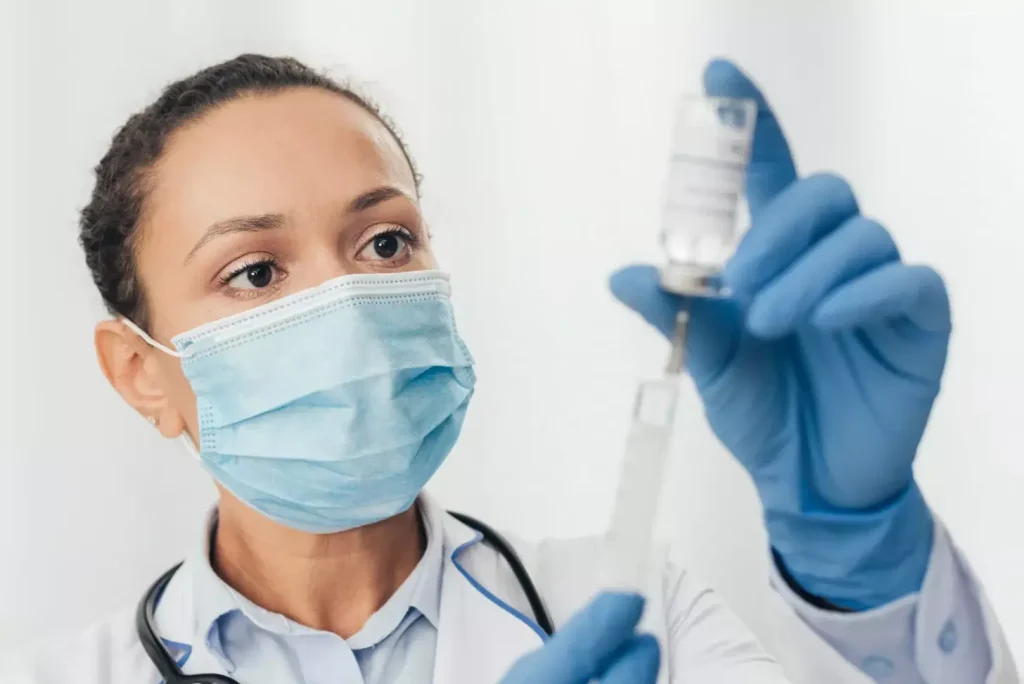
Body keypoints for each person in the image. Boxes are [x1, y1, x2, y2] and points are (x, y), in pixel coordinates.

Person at [9, 53, 1016, 684]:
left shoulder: (628, 613)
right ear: (141, 372)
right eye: (256, 271)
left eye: (384, 244)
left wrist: (863, 551)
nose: (348, 308)